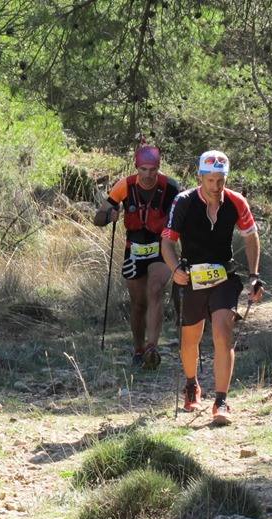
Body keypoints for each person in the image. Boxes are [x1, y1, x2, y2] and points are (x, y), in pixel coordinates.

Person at [161, 150, 263, 426]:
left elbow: (252, 237)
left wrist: (254, 275)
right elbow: (167, 242)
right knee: (190, 339)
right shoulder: (183, 202)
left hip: (223, 276)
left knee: (222, 329)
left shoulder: (236, 202)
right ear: (200, 178)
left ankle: (221, 401)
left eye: (221, 180)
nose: (217, 186)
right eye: (211, 180)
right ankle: (192, 384)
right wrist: (175, 270)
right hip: (191, 276)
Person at [94, 144, 181, 369]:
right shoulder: (124, 186)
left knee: (155, 290)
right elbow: (98, 217)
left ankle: (152, 348)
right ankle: (138, 349)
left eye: (153, 169)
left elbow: (184, 214)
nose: (148, 174)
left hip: (162, 248)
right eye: (144, 169)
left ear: (159, 167)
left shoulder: (171, 187)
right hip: (134, 250)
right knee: (138, 304)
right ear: (136, 167)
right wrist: (108, 215)